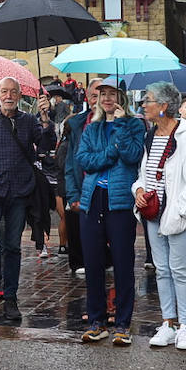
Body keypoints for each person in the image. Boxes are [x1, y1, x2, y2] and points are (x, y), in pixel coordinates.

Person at [133, 82, 186, 350]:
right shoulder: (151, 135)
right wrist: (139, 189)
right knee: (162, 271)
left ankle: (185, 326)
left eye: (149, 100)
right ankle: (168, 323)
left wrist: (182, 212)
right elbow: (144, 173)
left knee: (180, 271)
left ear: (164, 106)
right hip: (153, 215)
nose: (143, 104)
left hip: (177, 217)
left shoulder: (185, 137)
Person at [74, 79, 146, 345]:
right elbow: (85, 161)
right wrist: (110, 151)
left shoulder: (135, 124)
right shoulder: (92, 128)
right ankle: (97, 321)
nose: (106, 99)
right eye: (102, 94)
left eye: (112, 94)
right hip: (93, 200)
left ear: (121, 97)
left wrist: (123, 128)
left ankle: (123, 324)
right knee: (92, 263)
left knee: (123, 263)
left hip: (119, 201)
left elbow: (132, 156)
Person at [0, 77, 54, 324]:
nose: (9, 95)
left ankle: (10, 297)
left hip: (20, 191)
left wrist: (45, 118)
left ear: (20, 96)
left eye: (13, 92)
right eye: (4, 91)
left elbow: (45, 146)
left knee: (12, 246)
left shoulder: (28, 120)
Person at [58, 79, 101, 276]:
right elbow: (70, 164)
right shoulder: (77, 124)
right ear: (87, 98)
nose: (99, 100)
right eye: (94, 95)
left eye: (103, 95)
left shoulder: (120, 124)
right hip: (83, 189)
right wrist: (73, 195)